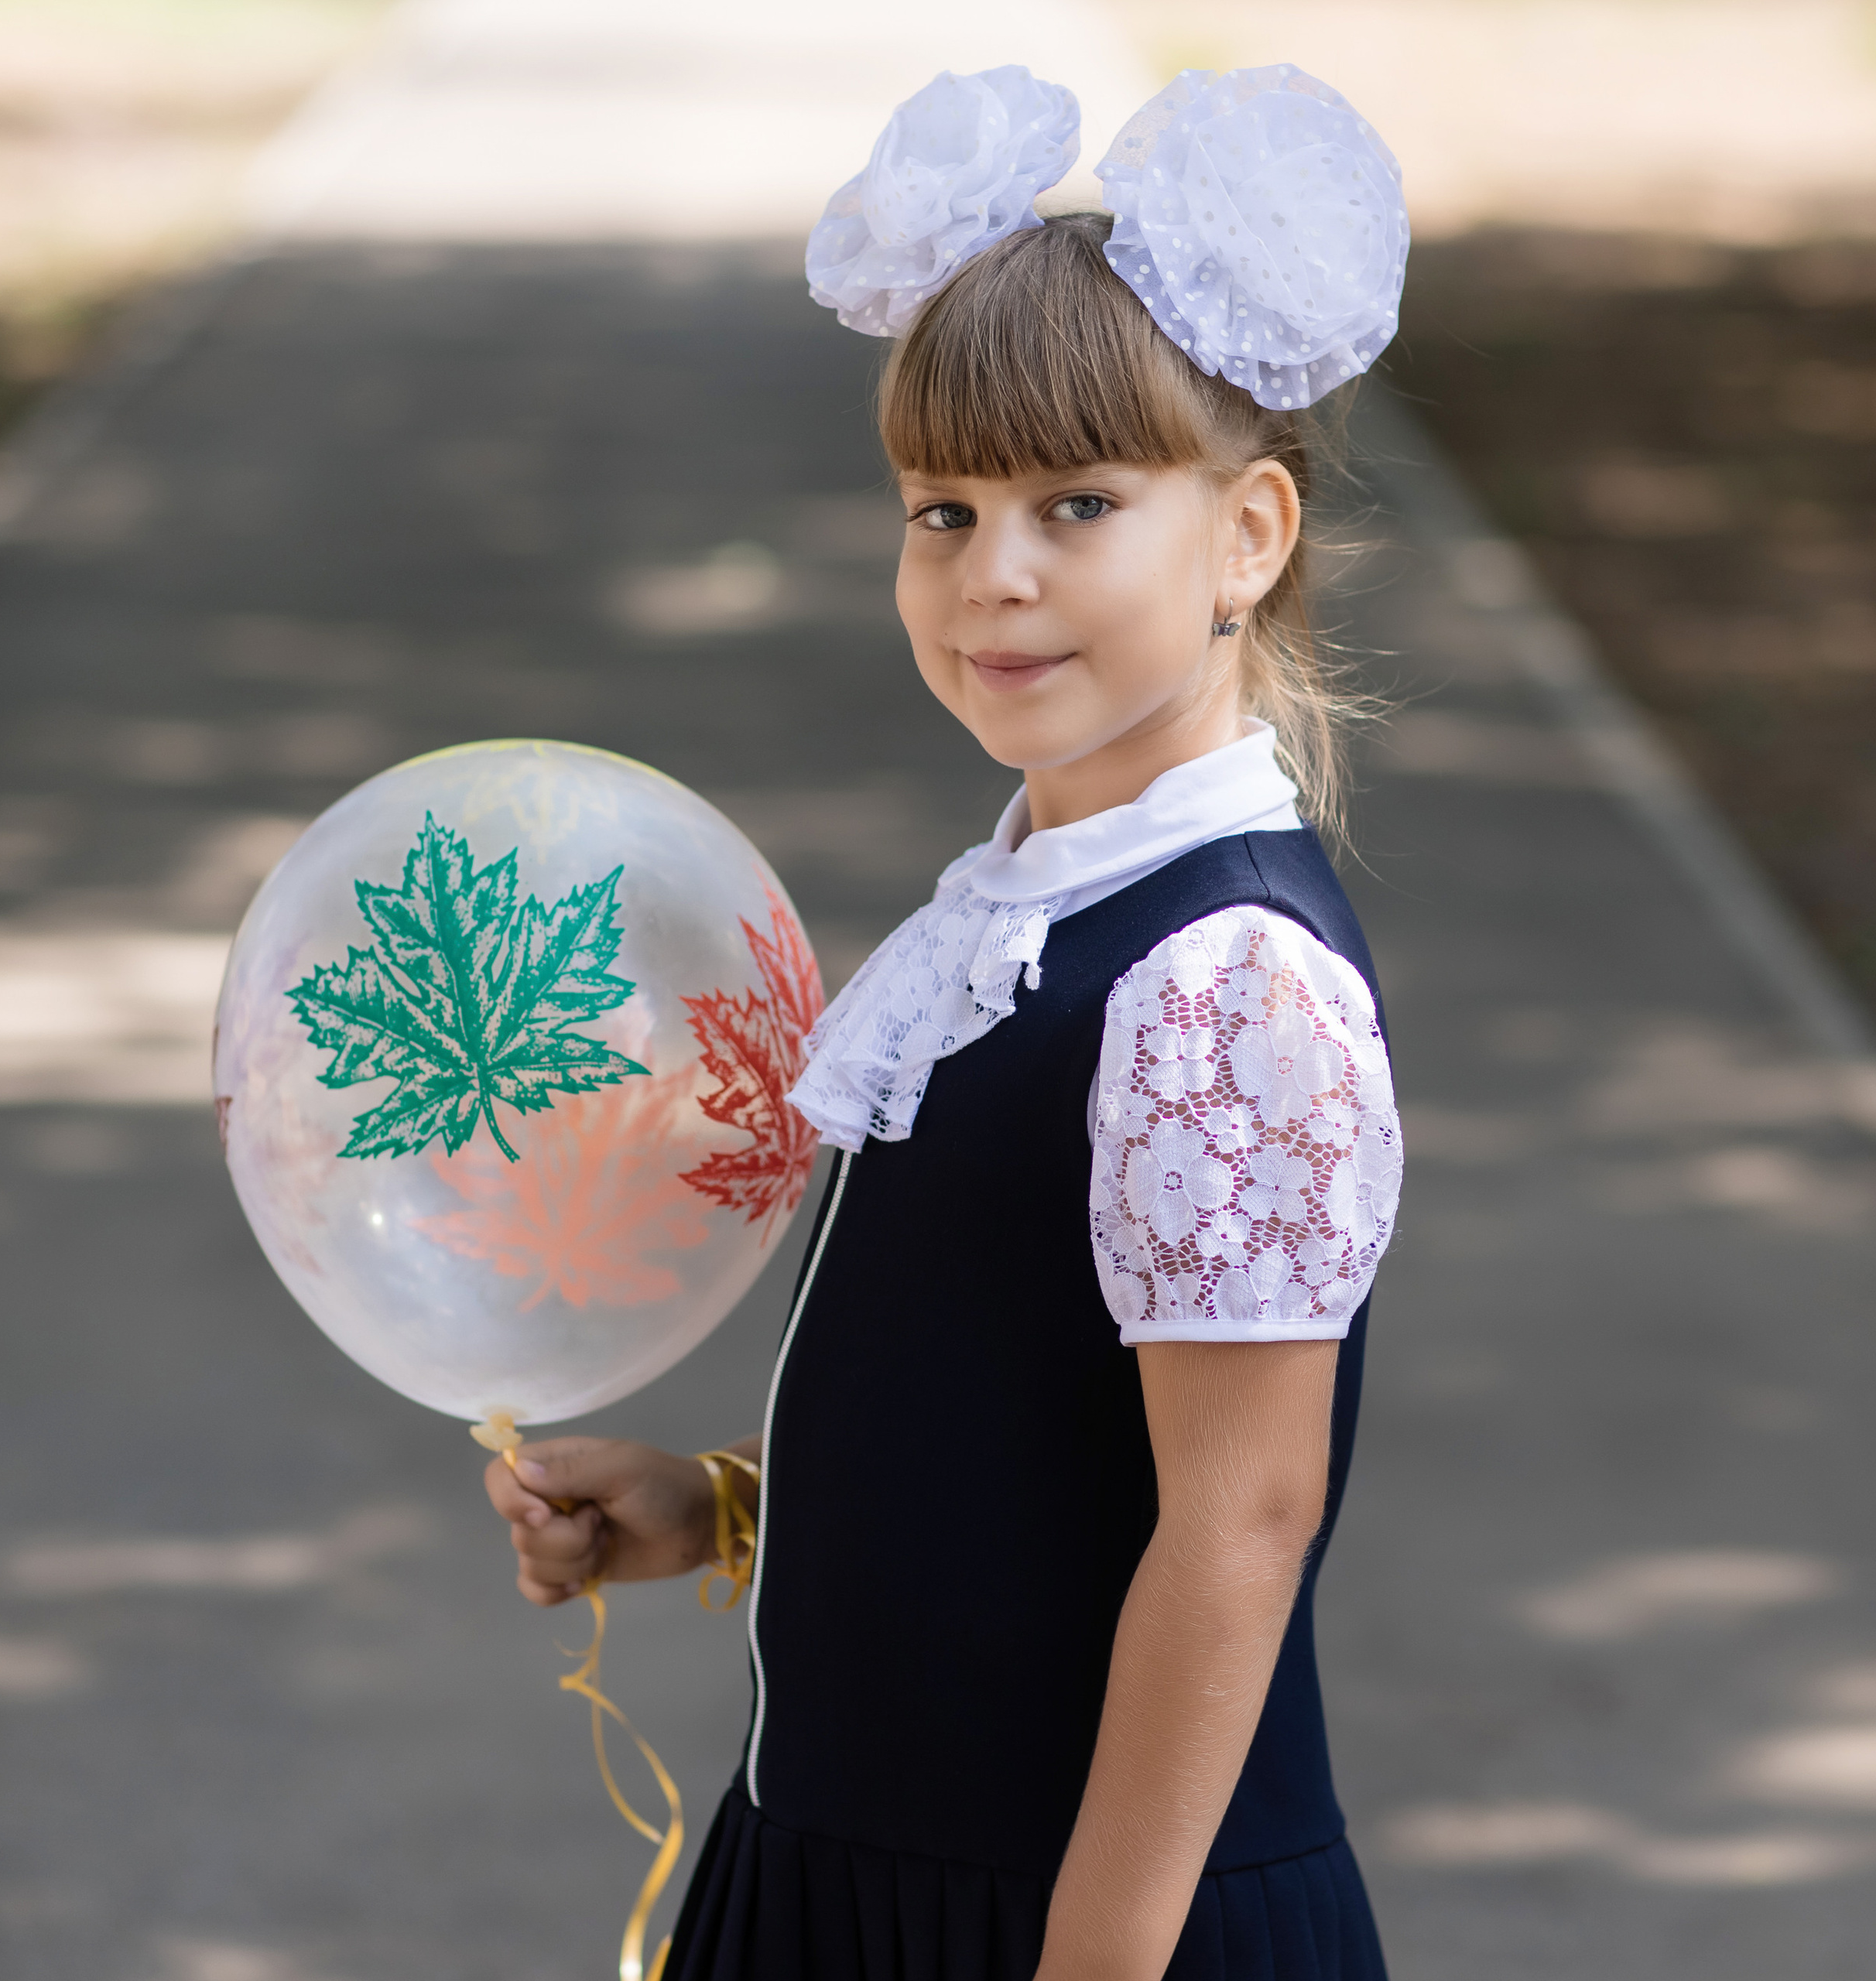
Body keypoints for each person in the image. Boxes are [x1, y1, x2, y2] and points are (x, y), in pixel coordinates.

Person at [484, 63, 1408, 1981]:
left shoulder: (1220, 981)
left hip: (1067, 1922)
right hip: (843, 1874)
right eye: (941, 506)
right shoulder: (1021, 912)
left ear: (1244, 533)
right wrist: (727, 1509)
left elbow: (1238, 1520)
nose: (993, 570)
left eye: (1079, 502)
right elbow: (1015, 1429)